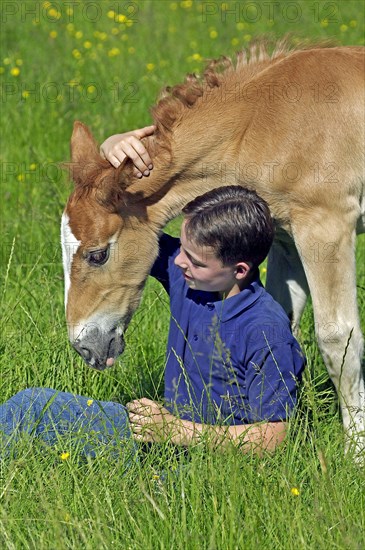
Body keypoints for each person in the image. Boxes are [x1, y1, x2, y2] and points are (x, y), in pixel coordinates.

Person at [0, 129, 305, 458]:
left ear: (240, 270)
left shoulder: (265, 329)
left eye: (195, 260)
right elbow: (123, 234)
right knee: (29, 407)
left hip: (208, 461)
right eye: (182, 247)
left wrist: (176, 431)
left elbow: (275, 437)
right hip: (160, 436)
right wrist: (112, 147)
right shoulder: (188, 274)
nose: (178, 260)